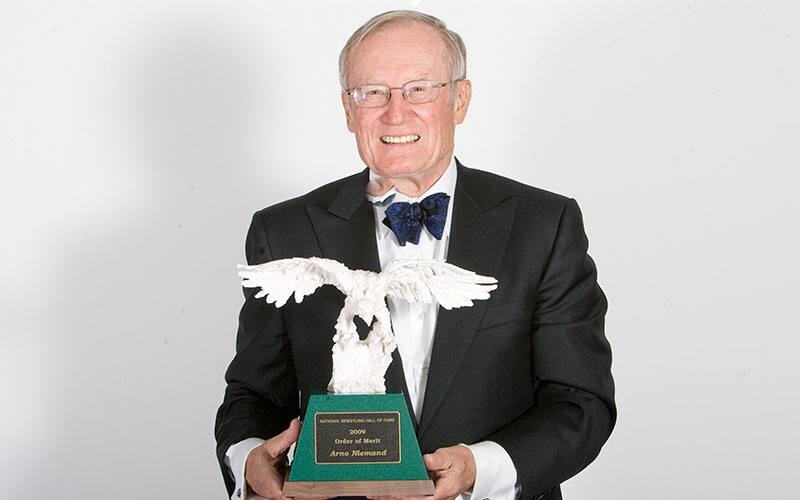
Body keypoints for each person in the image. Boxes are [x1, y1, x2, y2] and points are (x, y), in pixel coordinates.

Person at [215, 10, 615, 500]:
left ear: (460, 99)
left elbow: (580, 402)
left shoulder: (544, 225)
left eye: (419, 89)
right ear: (348, 109)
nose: (395, 112)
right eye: (373, 92)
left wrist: (479, 468)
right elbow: (253, 395)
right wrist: (249, 457)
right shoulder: (284, 232)